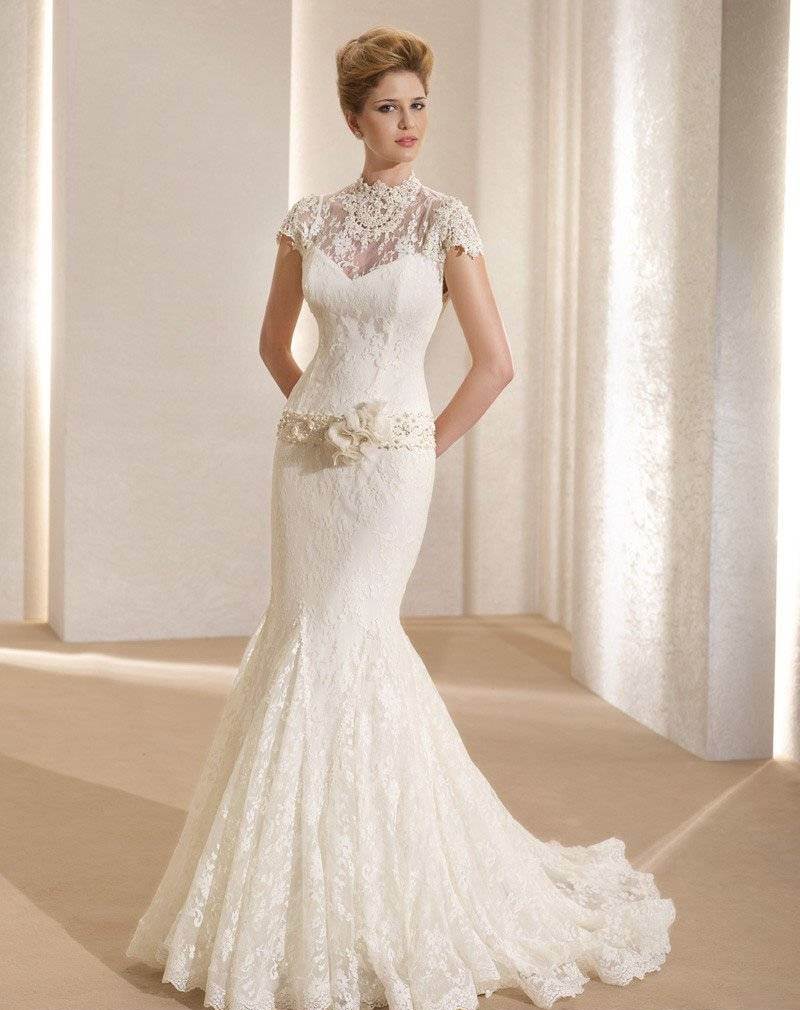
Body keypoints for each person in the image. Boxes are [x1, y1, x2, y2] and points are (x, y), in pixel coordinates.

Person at [125, 25, 676, 1010]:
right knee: (300, 636)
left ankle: (389, 878)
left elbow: (494, 364)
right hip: (307, 462)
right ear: (353, 117)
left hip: (390, 467)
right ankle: (295, 886)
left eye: (418, 104)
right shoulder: (308, 219)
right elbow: (273, 344)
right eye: (388, 107)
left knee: (352, 635)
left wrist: (414, 444)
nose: (408, 122)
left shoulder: (444, 221)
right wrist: (319, 416)